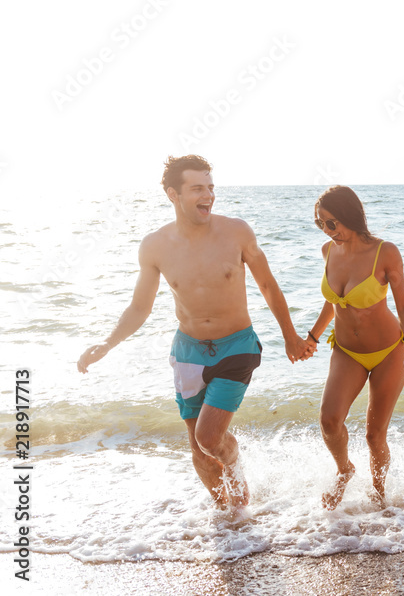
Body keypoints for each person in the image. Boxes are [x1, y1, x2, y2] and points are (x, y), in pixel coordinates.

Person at [77, 155, 313, 511]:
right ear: (174, 194)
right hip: (188, 351)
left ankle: (237, 473)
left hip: (237, 346)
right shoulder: (155, 246)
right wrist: (108, 343)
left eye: (211, 187)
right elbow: (140, 307)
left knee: (208, 437)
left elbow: (267, 285)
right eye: (198, 188)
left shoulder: (236, 232)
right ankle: (231, 520)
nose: (209, 195)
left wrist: (290, 336)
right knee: (198, 450)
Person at [306, 186, 404, 510]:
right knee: (329, 420)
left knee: (373, 435)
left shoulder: (385, 253)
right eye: (321, 224)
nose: (327, 231)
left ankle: (381, 498)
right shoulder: (328, 251)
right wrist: (312, 338)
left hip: (389, 351)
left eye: (331, 223)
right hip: (346, 351)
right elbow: (334, 302)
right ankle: (344, 470)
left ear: (350, 217)